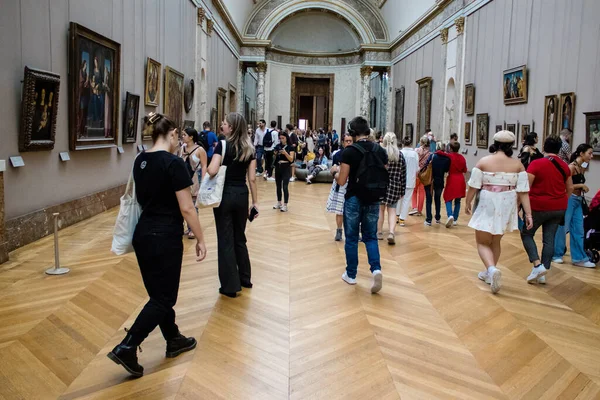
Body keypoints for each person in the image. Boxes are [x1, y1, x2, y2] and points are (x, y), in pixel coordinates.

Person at [108, 113, 207, 377]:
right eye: (178, 136)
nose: (180, 141)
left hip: (143, 236)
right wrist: (201, 238)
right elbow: (187, 208)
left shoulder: (140, 160)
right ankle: (127, 346)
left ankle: (173, 338)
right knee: (164, 297)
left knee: (158, 296)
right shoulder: (174, 163)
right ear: (173, 133)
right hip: (165, 237)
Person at [465, 131, 533, 294]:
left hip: (488, 200)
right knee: (496, 241)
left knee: (482, 241)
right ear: (511, 145)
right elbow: (523, 192)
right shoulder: (518, 165)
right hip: (507, 202)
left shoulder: (483, 162)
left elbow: (473, 186)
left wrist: (467, 202)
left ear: (494, 143)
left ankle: (491, 269)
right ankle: (489, 272)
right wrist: (528, 214)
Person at [207, 112, 259, 297]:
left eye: (225, 123)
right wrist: (255, 203)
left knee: (226, 239)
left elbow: (212, 170)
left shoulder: (222, 145)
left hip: (225, 195)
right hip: (242, 194)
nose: (222, 125)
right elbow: (252, 179)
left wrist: (211, 162)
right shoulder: (249, 148)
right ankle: (245, 278)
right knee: (240, 237)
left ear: (232, 127)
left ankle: (230, 286)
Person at [335, 116, 388, 293]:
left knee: (351, 238)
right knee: (370, 236)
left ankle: (351, 275)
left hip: (354, 198)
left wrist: (335, 172)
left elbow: (342, 181)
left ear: (353, 132)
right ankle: (376, 269)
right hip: (374, 198)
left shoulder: (349, 152)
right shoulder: (380, 150)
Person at [520, 136, 573, 284]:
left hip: (538, 206)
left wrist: (520, 205)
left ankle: (537, 265)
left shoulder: (536, 164)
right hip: (559, 207)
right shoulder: (564, 166)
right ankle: (543, 271)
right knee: (549, 239)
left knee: (527, 234)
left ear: (544, 147)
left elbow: (527, 187)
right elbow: (570, 188)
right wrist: (561, 200)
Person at [553, 143, 596, 268]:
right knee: (562, 227)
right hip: (569, 199)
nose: (591, 156)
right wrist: (580, 186)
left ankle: (579, 257)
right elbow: (564, 185)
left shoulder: (582, 166)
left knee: (578, 228)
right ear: (581, 153)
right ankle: (556, 254)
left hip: (578, 200)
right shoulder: (571, 167)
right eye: (589, 153)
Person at [377, 133, 407, 245]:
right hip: (395, 186)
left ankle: (379, 232)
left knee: (380, 210)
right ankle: (391, 233)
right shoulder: (400, 155)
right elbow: (403, 174)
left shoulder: (380, 154)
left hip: (381, 185)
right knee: (392, 211)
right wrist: (402, 189)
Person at [179, 127, 208, 238]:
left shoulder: (200, 150)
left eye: (184, 135)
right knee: (182, 204)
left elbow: (204, 165)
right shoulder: (182, 148)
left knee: (193, 204)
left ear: (191, 137)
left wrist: (204, 181)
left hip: (195, 179)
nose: (183, 136)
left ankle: (192, 229)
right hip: (182, 179)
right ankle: (183, 227)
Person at [327, 134, 354, 241]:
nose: (348, 143)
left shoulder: (356, 154)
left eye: (350, 141)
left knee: (352, 210)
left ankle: (353, 231)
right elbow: (333, 168)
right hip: (340, 183)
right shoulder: (338, 155)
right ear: (343, 142)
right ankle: (339, 230)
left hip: (352, 184)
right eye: (346, 141)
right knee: (339, 210)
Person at [443, 141, 467, 227]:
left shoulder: (449, 156)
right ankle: (455, 219)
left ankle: (450, 215)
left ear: (451, 148)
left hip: (452, 178)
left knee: (448, 198)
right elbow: (465, 170)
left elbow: (439, 153)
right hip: (460, 179)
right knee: (458, 200)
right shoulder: (462, 158)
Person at [273, 131, 295, 212]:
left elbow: (291, 159)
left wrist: (285, 153)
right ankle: (279, 202)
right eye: (280, 138)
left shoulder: (290, 147)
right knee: (278, 186)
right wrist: (275, 153)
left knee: (285, 186)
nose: (281, 140)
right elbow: (274, 155)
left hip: (286, 168)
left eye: (283, 138)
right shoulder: (278, 146)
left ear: (286, 138)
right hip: (278, 167)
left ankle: (285, 205)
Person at [429, 142, 450, 225]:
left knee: (429, 198)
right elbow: (446, 170)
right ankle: (437, 216)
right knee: (437, 199)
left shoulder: (433, 156)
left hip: (431, 180)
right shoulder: (447, 159)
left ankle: (429, 218)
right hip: (440, 180)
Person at [410, 136, 431, 217]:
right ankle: (419, 210)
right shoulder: (429, 153)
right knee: (422, 192)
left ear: (421, 142)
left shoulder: (416, 151)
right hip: (424, 174)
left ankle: (414, 207)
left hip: (415, 173)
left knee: (414, 191)